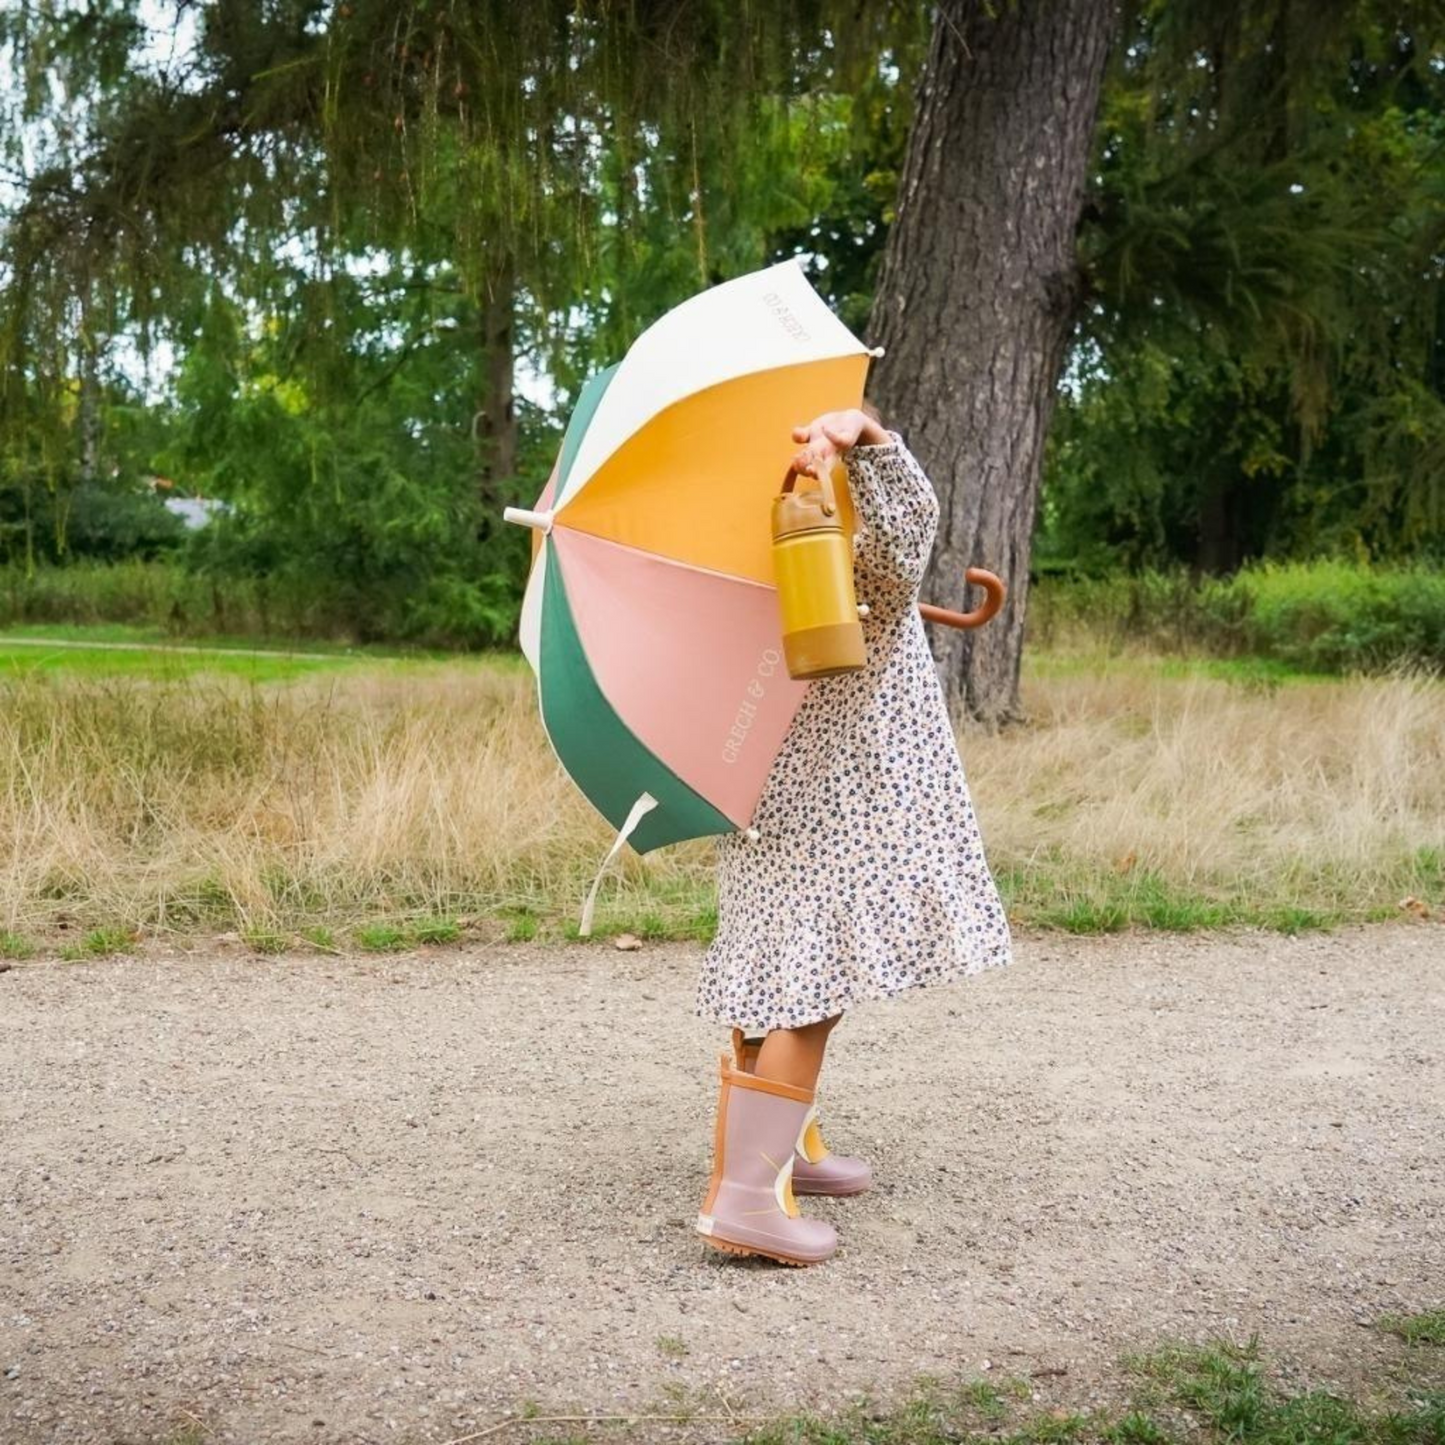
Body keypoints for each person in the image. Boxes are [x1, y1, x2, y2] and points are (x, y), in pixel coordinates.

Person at [693, 404, 1014, 1266]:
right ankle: (747, 1196)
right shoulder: (832, 561)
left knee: (773, 967)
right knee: (810, 985)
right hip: (845, 803)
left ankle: (777, 1147)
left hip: (761, 792)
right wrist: (870, 442)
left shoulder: (718, 580)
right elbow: (908, 529)